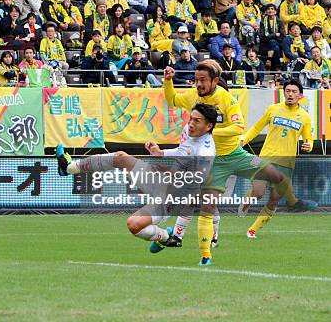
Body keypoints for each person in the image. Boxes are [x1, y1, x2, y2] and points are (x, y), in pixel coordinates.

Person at [162, 60, 302, 264]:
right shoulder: (193, 96)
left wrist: (211, 130)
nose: (198, 84)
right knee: (206, 205)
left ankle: (289, 202)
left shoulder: (227, 100)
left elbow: (239, 128)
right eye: (196, 80)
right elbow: (173, 98)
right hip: (212, 160)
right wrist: (168, 82)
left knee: (277, 176)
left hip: (235, 155)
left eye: (202, 80)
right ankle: (203, 253)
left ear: (215, 81)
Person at [55, 103, 217, 254]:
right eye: (190, 119)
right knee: (120, 158)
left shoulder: (206, 153)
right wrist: (161, 153)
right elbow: (184, 150)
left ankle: (166, 237)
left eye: (197, 121)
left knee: (134, 225)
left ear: (208, 126)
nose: (190, 124)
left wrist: (178, 232)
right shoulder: (189, 131)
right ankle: (68, 168)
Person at [240, 79, 317, 239]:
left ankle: (252, 230)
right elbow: (256, 127)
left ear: (300, 96)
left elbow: (308, 139)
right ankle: (248, 199)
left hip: (286, 165)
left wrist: (307, 146)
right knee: (259, 192)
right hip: (266, 158)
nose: (290, 94)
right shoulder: (273, 109)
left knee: (274, 200)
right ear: (284, 93)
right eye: (287, 91)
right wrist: (244, 139)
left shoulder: (304, 117)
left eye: (294, 91)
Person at [259, 4, 285, 70]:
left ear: (275, 11)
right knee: (275, 47)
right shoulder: (262, 22)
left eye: (272, 9)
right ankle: (277, 68)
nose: (270, 10)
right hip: (265, 45)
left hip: (278, 43)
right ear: (266, 12)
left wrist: (269, 36)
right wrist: (275, 35)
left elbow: (283, 35)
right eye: (268, 9)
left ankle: (269, 60)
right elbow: (262, 36)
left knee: (274, 44)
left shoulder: (280, 21)